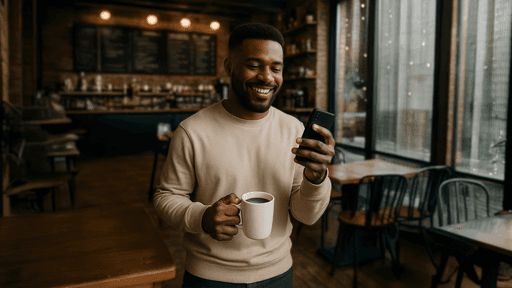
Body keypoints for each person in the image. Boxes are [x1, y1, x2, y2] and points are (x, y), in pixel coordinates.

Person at [154, 22, 335, 288]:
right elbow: (165, 197)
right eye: (254, 65)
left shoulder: (294, 130)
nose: (267, 77)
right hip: (209, 277)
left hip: (278, 274)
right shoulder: (192, 131)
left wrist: (317, 179)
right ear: (229, 67)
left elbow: (306, 215)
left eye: (276, 68)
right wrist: (201, 217)